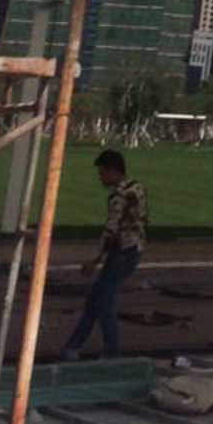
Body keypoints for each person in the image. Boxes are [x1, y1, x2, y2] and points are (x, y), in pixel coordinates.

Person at [61, 150, 147, 361]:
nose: (100, 177)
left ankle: (110, 351)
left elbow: (111, 230)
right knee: (96, 300)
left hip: (121, 253)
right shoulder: (137, 187)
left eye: (102, 172)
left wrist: (95, 260)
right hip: (134, 249)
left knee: (103, 303)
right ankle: (73, 346)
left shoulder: (118, 197)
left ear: (112, 171)